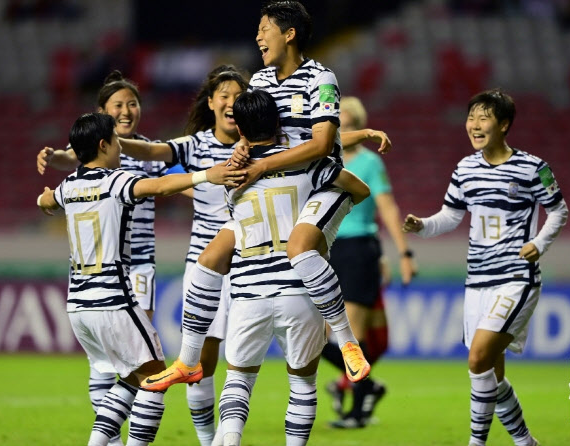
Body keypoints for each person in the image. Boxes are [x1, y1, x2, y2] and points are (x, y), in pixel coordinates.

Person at [141, 0, 395, 394]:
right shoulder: (259, 81)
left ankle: (347, 341)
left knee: (300, 247)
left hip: (319, 182)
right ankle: (188, 363)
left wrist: (261, 166)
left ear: (289, 33)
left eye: (265, 29)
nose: (258, 36)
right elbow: (253, 129)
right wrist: (242, 149)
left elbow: (324, 142)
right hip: (272, 188)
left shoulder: (320, 79)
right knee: (209, 260)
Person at [36, 113, 245, 446]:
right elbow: (160, 186)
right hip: (114, 301)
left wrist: (41, 199)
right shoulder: (115, 180)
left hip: (77, 305)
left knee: (132, 378)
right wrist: (209, 174)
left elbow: (48, 200)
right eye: (116, 141)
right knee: (157, 377)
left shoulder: (69, 185)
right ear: (104, 145)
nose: (121, 147)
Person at [403, 89, 568, 446]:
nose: (474, 125)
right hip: (477, 281)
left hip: (515, 279)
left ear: (504, 125)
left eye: (484, 118)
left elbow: (558, 210)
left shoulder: (533, 167)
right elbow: (450, 216)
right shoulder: (465, 168)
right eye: (471, 117)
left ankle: (476, 442)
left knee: (477, 359)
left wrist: (539, 243)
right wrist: (423, 226)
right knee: (491, 370)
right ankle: (525, 442)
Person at [217, 89, 370, 446]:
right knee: (302, 382)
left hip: (247, 292)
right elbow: (359, 190)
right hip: (301, 290)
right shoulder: (309, 164)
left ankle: (228, 441)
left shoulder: (232, 173)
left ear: (239, 128)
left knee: (238, 380)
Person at [113, 64, 249, 446]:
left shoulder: (260, 144)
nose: (231, 103)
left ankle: (229, 435)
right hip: (205, 268)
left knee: (241, 357)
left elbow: (305, 143)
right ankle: (210, 440)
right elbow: (156, 150)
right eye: (224, 95)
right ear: (210, 102)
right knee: (202, 365)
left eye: (239, 97)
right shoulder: (195, 145)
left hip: (251, 266)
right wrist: (114, 139)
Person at [35, 70, 167, 446]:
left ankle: (107, 435)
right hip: (112, 273)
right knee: (131, 364)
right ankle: (111, 437)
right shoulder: (98, 154)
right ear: (103, 113)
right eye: (118, 105)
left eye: (132, 103)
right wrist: (56, 156)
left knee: (134, 359)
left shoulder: (150, 150)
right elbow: (70, 160)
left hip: (139, 262)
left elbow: (174, 177)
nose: (127, 110)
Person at [321, 96, 416, 428]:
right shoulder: (321, 160)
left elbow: (388, 209)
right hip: (326, 250)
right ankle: (368, 387)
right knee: (315, 336)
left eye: (349, 124)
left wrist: (403, 253)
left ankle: (357, 412)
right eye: (339, 124)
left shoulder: (369, 163)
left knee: (352, 335)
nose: (343, 130)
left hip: (359, 249)